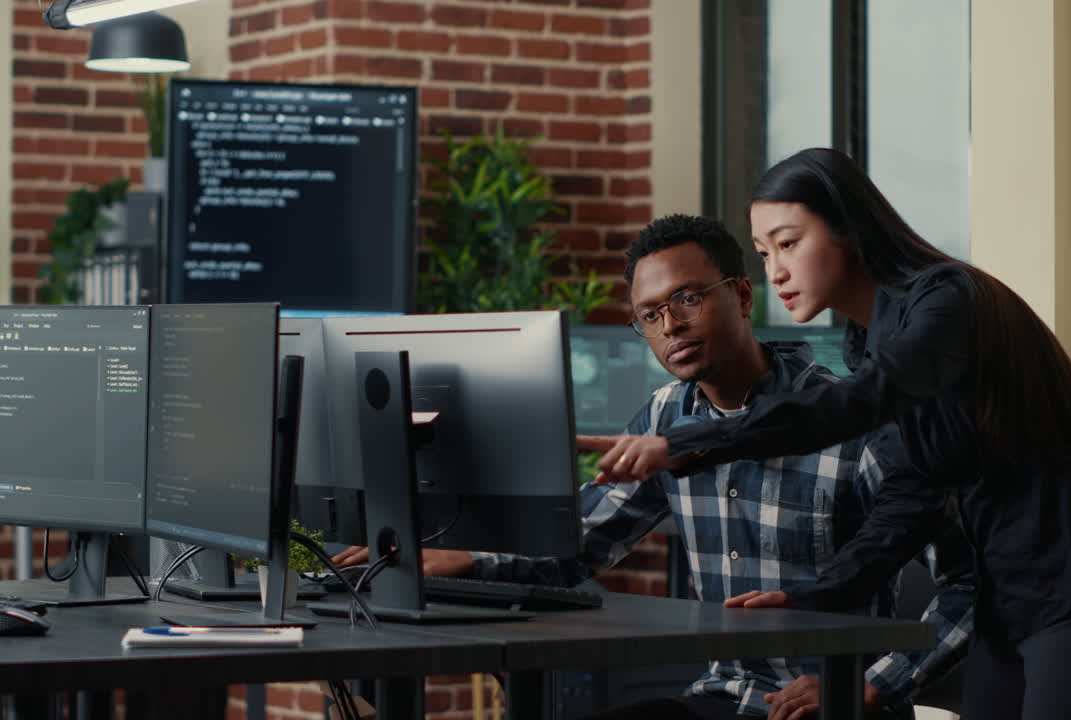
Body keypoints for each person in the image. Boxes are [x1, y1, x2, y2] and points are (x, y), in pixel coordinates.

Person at [587, 149, 1071, 720]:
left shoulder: (947, 301)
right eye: (764, 253)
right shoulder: (867, 343)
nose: (776, 272)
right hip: (1004, 598)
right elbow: (910, 499)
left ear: (849, 228)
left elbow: (857, 404)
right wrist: (813, 596)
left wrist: (683, 444)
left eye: (789, 243)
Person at [336, 213, 974, 719]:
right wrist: (461, 557)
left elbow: (968, 584)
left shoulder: (849, 420)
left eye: (689, 298)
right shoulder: (664, 417)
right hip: (723, 694)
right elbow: (575, 549)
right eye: (650, 315)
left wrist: (872, 686)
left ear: (744, 294)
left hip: (828, 705)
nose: (671, 325)